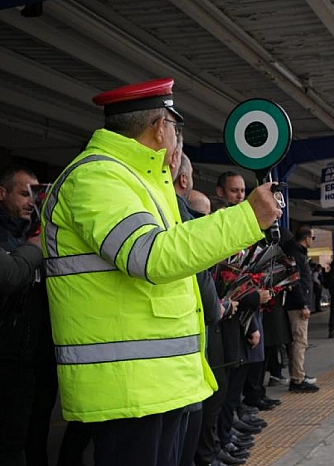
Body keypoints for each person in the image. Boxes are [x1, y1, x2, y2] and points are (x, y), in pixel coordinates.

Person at [40, 78, 283, 466]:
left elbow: (179, 254)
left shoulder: (140, 181)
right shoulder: (97, 177)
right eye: (174, 125)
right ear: (159, 126)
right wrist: (246, 218)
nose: (175, 135)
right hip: (128, 386)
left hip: (159, 381)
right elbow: (151, 256)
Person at [0, 165, 57, 466]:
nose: (29, 203)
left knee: (36, 430)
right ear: (2, 193)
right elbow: (10, 276)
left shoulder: (40, 235)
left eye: (36, 197)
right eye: (24, 194)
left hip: (39, 355)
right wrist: (33, 248)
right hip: (9, 355)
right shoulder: (19, 240)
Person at [280, 225, 320, 392]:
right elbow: (296, 282)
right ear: (306, 238)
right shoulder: (297, 255)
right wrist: (304, 304)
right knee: (300, 341)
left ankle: (299, 374)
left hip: (298, 303)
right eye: (313, 238)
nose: (313, 241)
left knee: (298, 341)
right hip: (297, 305)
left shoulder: (298, 254)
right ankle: (297, 379)